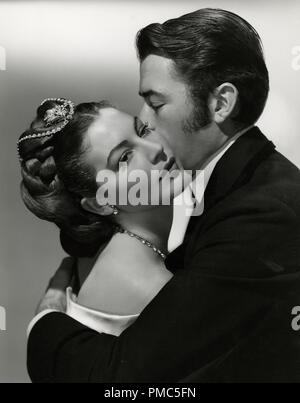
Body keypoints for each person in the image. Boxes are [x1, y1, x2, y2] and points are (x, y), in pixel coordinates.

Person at [25, 8, 300, 382]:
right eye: (124, 155)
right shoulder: (241, 187)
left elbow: (124, 380)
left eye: (155, 104)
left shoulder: (260, 213)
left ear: (220, 104)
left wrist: (44, 323)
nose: (150, 127)